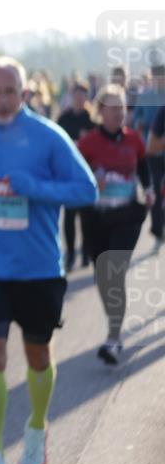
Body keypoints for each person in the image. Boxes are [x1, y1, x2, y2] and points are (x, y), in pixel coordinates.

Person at [0, 57, 97, 464]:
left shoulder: (49, 137)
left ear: (24, 93)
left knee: (38, 357)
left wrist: (35, 188)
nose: (1, 100)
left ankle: (36, 429)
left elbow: (86, 189)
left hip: (37, 268)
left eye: (9, 91)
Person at [77, 85, 155, 364]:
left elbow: (143, 167)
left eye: (122, 107)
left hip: (126, 217)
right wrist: (89, 182)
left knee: (114, 273)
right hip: (96, 218)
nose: (119, 113)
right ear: (100, 112)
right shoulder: (87, 144)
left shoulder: (134, 140)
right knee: (103, 277)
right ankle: (114, 326)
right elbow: (73, 174)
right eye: (112, 108)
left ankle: (113, 338)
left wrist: (148, 189)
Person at [57, 80, 97, 269]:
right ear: (71, 97)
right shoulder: (64, 118)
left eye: (82, 96)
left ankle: (86, 253)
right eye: (76, 96)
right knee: (69, 216)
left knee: (87, 216)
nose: (79, 99)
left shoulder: (92, 120)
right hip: (67, 173)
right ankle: (71, 253)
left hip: (87, 172)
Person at [133, 63, 165, 250]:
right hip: (151, 151)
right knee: (154, 188)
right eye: (157, 77)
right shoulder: (145, 96)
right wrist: (140, 123)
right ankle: (157, 228)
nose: (160, 80)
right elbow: (136, 118)